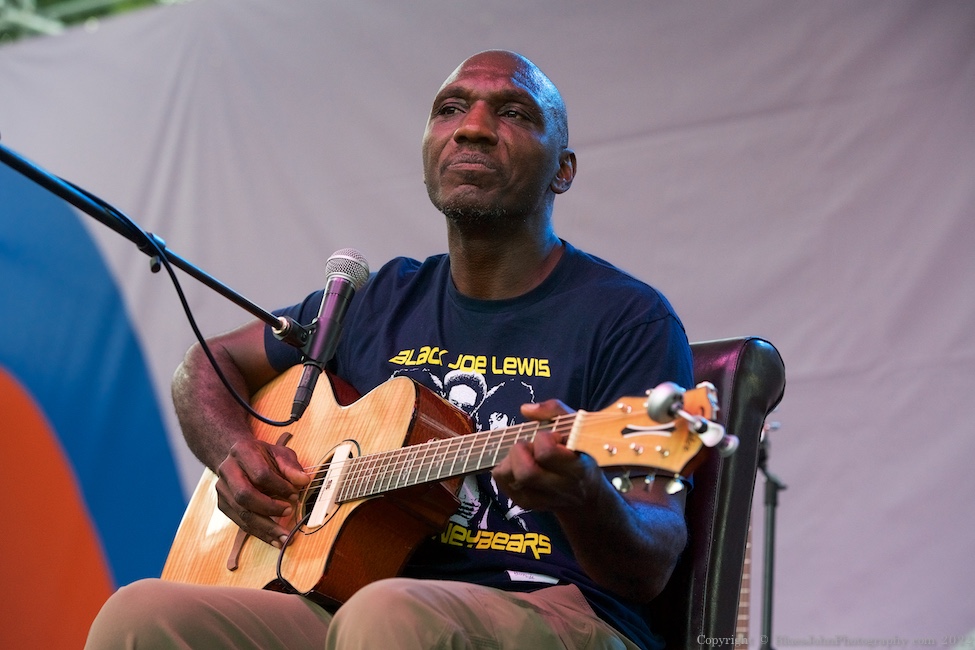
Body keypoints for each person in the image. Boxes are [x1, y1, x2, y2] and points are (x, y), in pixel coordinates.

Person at [86, 49, 694, 650]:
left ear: (562, 170)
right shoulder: (377, 300)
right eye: (451, 109)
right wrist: (237, 452)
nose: (475, 128)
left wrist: (586, 496)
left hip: (554, 606)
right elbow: (206, 366)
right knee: (139, 616)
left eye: (513, 113)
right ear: (429, 152)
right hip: (360, 596)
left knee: (387, 616)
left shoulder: (628, 318)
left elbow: (650, 562)